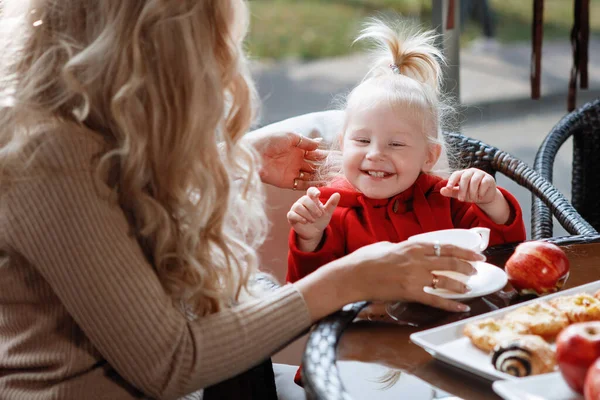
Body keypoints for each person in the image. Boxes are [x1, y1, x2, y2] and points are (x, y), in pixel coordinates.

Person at [0, 2, 487, 399]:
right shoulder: (46, 156)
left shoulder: (78, 125)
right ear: (148, 52)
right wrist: (347, 279)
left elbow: (110, 219)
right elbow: (170, 363)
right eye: (210, 50)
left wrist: (234, 160)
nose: (218, 74)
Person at [287, 19, 526, 316]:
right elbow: (304, 303)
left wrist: (491, 201)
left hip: (441, 332)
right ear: (342, 144)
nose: (375, 154)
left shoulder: (446, 199)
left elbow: (502, 257)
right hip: (359, 348)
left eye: (396, 145)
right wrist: (309, 240)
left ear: (429, 156)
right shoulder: (330, 211)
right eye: (362, 140)